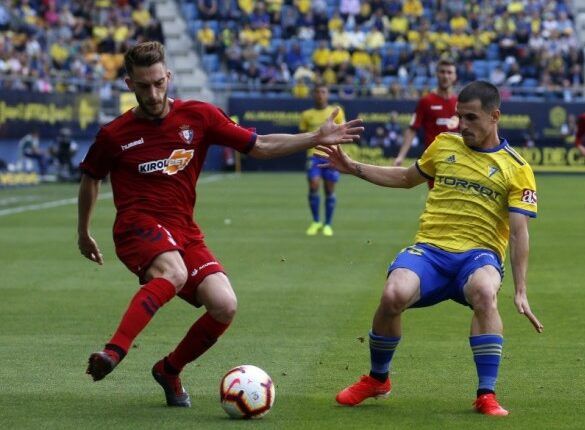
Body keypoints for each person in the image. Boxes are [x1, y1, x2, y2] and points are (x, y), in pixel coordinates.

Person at [78, 41, 363, 408]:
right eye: (143, 85)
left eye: (158, 83)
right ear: (129, 84)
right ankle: (113, 352)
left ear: (168, 77)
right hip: (137, 225)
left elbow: (259, 145)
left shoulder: (199, 116)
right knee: (173, 273)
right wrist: (84, 232)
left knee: (224, 305)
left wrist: (315, 138)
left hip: (183, 229)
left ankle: (168, 369)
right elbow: (90, 177)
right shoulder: (114, 134)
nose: (152, 92)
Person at [318, 81, 543, 416]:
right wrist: (353, 168)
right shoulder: (443, 145)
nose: (461, 125)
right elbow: (407, 178)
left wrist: (521, 290)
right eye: (458, 117)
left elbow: (519, 232)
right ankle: (378, 379)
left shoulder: (517, 168)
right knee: (393, 294)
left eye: (471, 118)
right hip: (431, 250)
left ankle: (486, 394)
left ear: (495, 116)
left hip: (478, 256)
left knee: (484, 289)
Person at [393, 58, 458, 187]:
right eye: (442, 72)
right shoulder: (426, 101)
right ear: (436, 74)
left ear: (455, 76)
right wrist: (401, 156)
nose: (446, 76)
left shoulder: (460, 103)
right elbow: (412, 129)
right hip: (435, 161)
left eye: (449, 72)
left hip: (458, 161)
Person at [299, 84, 346, 236]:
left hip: (330, 155)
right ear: (314, 94)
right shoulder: (306, 114)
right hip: (313, 156)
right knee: (313, 185)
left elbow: (343, 132)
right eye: (317, 92)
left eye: (323, 92)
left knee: (329, 189)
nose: (320, 95)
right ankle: (316, 221)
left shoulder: (336, 112)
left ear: (327, 94)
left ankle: (328, 224)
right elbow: (302, 136)